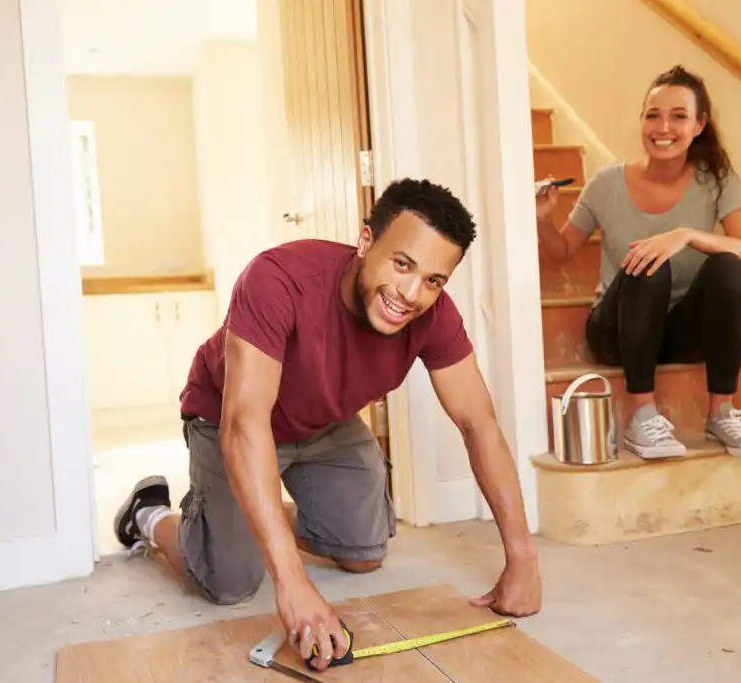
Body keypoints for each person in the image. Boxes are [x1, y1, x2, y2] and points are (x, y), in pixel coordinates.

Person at [112, 178, 542, 671]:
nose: (410, 294)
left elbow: (479, 424)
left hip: (323, 424)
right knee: (228, 582)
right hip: (228, 416)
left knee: (363, 554)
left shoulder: (435, 317)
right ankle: (150, 515)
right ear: (365, 241)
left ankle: (254, 517)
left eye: (433, 280)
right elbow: (245, 424)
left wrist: (522, 558)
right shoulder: (278, 279)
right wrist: (293, 583)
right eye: (402, 264)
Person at [536, 65, 741, 461]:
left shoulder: (716, 179)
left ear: (698, 125)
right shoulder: (606, 183)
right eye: (653, 115)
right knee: (650, 261)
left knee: (730, 266)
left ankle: (722, 412)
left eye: (678, 116)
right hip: (617, 332)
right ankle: (642, 414)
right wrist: (543, 220)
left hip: (679, 333)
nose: (663, 127)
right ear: (642, 121)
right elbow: (561, 253)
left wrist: (687, 235)